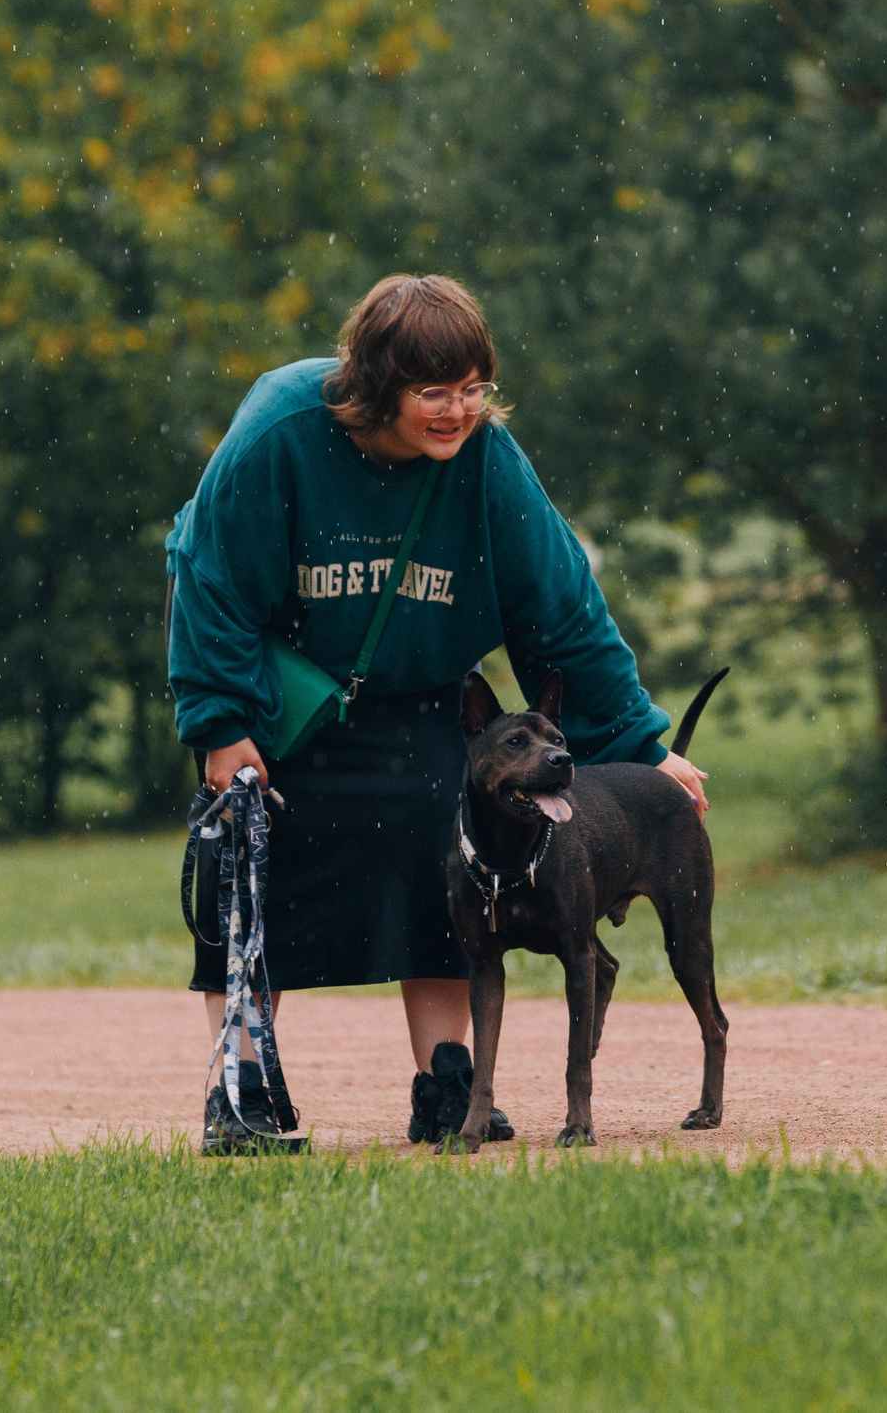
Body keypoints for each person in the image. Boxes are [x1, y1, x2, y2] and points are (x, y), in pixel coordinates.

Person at [167, 274, 709, 1152]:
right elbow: (210, 579)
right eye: (434, 392)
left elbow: (562, 611)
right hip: (282, 692)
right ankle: (245, 1089)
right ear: (376, 382)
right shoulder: (279, 431)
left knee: (447, 855)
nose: (458, 410)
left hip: (419, 685)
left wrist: (642, 744)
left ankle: (449, 1084)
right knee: (250, 876)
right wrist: (221, 724)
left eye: (473, 388)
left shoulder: (490, 463)